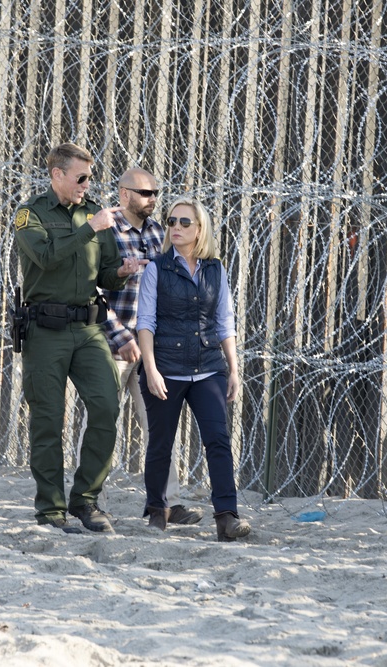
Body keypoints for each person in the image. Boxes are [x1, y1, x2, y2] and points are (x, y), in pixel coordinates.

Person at [14, 142, 144, 533]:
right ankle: (51, 509)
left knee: (106, 407)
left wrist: (120, 271)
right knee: (48, 421)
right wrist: (91, 228)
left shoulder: (93, 214)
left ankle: (86, 500)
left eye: (90, 177)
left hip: (88, 329)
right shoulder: (30, 215)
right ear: (57, 175)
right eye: (80, 177)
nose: (87, 184)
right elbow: (47, 257)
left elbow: (102, 274)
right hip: (45, 330)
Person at [77, 167, 203, 526]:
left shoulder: (161, 233)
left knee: (159, 424)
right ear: (124, 194)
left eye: (155, 194)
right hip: (110, 345)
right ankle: (88, 500)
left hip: (150, 348)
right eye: (145, 193)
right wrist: (120, 336)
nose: (151, 200)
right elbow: (90, 289)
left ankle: (165, 502)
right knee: (101, 423)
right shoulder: (106, 230)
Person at [136, 198, 251, 541]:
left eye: (185, 222)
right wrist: (151, 369)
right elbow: (145, 323)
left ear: (200, 229)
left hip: (208, 367)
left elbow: (225, 320)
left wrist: (233, 369)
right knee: (161, 442)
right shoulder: (157, 268)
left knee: (218, 440)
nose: (176, 227)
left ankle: (226, 517)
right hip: (166, 368)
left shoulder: (215, 268)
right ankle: (158, 510)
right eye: (172, 221)